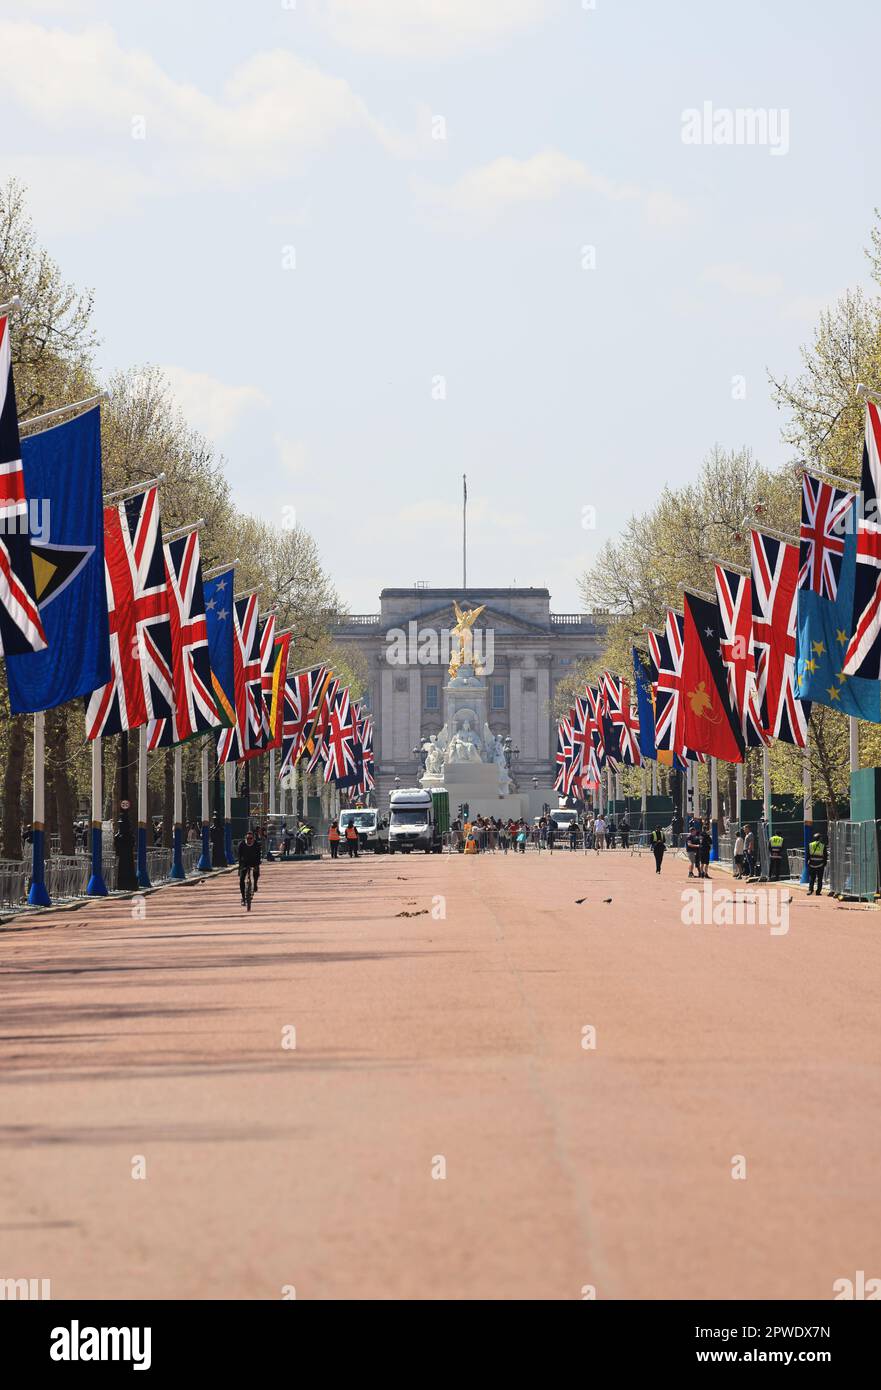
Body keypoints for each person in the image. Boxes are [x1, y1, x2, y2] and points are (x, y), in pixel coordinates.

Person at [237, 829, 261, 906]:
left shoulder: (256, 844)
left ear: (253, 839)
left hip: (254, 862)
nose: (249, 840)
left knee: (256, 873)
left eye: (251, 838)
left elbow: (258, 856)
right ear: (245, 838)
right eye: (248, 838)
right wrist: (240, 867)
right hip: (244, 863)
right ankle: (243, 898)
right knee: (241, 879)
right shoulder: (241, 844)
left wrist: (257, 865)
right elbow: (239, 856)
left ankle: (255, 884)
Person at [807, 832, 827, 896]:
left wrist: (808, 862)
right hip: (820, 864)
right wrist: (824, 863)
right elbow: (825, 855)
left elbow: (807, 855)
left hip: (812, 864)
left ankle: (810, 890)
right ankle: (818, 892)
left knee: (812, 878)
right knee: (820, 879)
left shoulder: (810, 845)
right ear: (819, 838)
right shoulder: (823, 845)